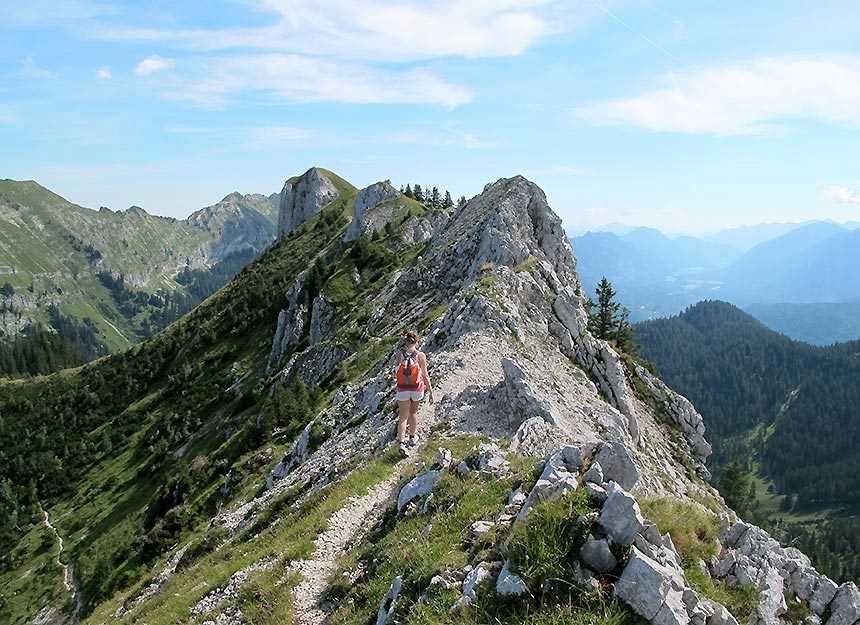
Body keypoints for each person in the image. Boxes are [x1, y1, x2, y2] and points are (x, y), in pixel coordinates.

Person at [394, 330, 434, 456]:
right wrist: (431, 392)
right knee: (413, 413)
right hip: (417, 389)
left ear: (406, 341)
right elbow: (425, 375)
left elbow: (395, 371)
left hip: (402, 389)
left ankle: (401, 443)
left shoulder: (399, 354)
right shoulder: (421, 355)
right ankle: (412, 437)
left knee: (403, 417)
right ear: (417, 341)